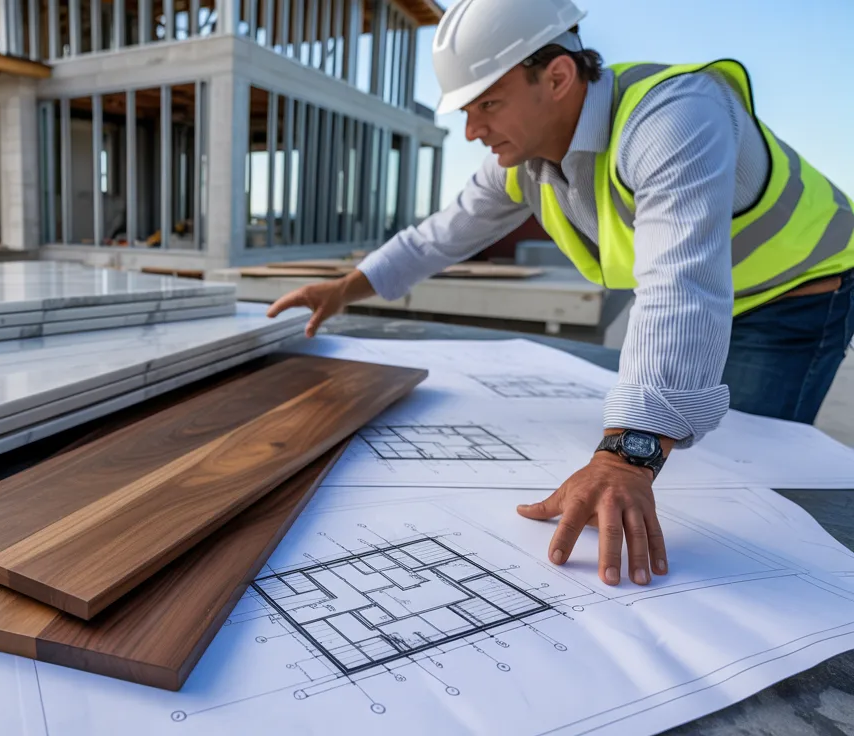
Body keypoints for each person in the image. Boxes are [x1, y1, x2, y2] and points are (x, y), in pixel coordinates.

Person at [266, 0, 854, 589]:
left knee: (749, 471)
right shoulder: (522, 162)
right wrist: (344, 289)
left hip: (795, 292)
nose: (472, 131)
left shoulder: (673, 115)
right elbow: (441, 236)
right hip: (718, 291)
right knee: (682, 444)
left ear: (557, 77)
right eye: (466, 110)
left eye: (487, 104)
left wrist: (626, 456)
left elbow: (681, 282)